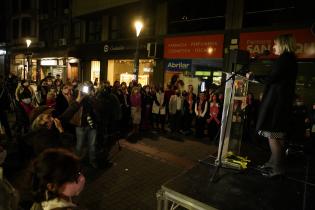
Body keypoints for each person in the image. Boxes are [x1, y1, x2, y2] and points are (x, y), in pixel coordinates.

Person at [251, 34, 298, 177]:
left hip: (277, 104)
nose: (273, 47)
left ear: (283, 44)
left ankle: (278, 167)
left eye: (275, 44)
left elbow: (272, 78)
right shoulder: (290, 59)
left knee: (272, 135)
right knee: (277, 136)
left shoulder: (285, 59)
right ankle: (273, 163)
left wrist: (253, 77)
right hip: (281, 103)